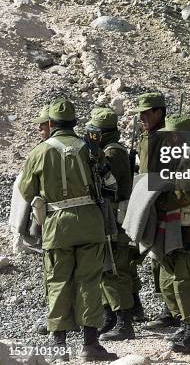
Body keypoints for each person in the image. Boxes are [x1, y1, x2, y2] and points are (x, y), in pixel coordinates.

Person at [18, 98, 117, 362]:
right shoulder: (89, 148)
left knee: (58, 281)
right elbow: (110, 184)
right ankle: (90, 345)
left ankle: (59, 347)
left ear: (50, 124)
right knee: (89, 282)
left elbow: (25, 191)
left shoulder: (40, 152)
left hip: (56, 226)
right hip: (90, 224)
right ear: (74, 124)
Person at [157, 114, 190, 354]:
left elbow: (183, 195)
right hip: (178, 227)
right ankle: (185, 323)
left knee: (188, 278)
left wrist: (156, 199)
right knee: (172, 277)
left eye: (169, 136)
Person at [86, 107, 136, 341]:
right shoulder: (107, 149)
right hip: (108, 216)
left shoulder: (113, 153)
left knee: (115, 269)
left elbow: (107, 184)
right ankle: (111, 316)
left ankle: (125, 323)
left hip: (114, 218)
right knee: (107, 268)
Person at [134, 92, 179, 329]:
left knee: (165, 257)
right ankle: (169, 307)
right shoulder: (149, 136)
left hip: (162, 203)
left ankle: (175, 311)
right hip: (149, 202)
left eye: (146, 112)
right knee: (156, 258)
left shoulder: (166, 138)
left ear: (159, 112)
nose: (142, 117)